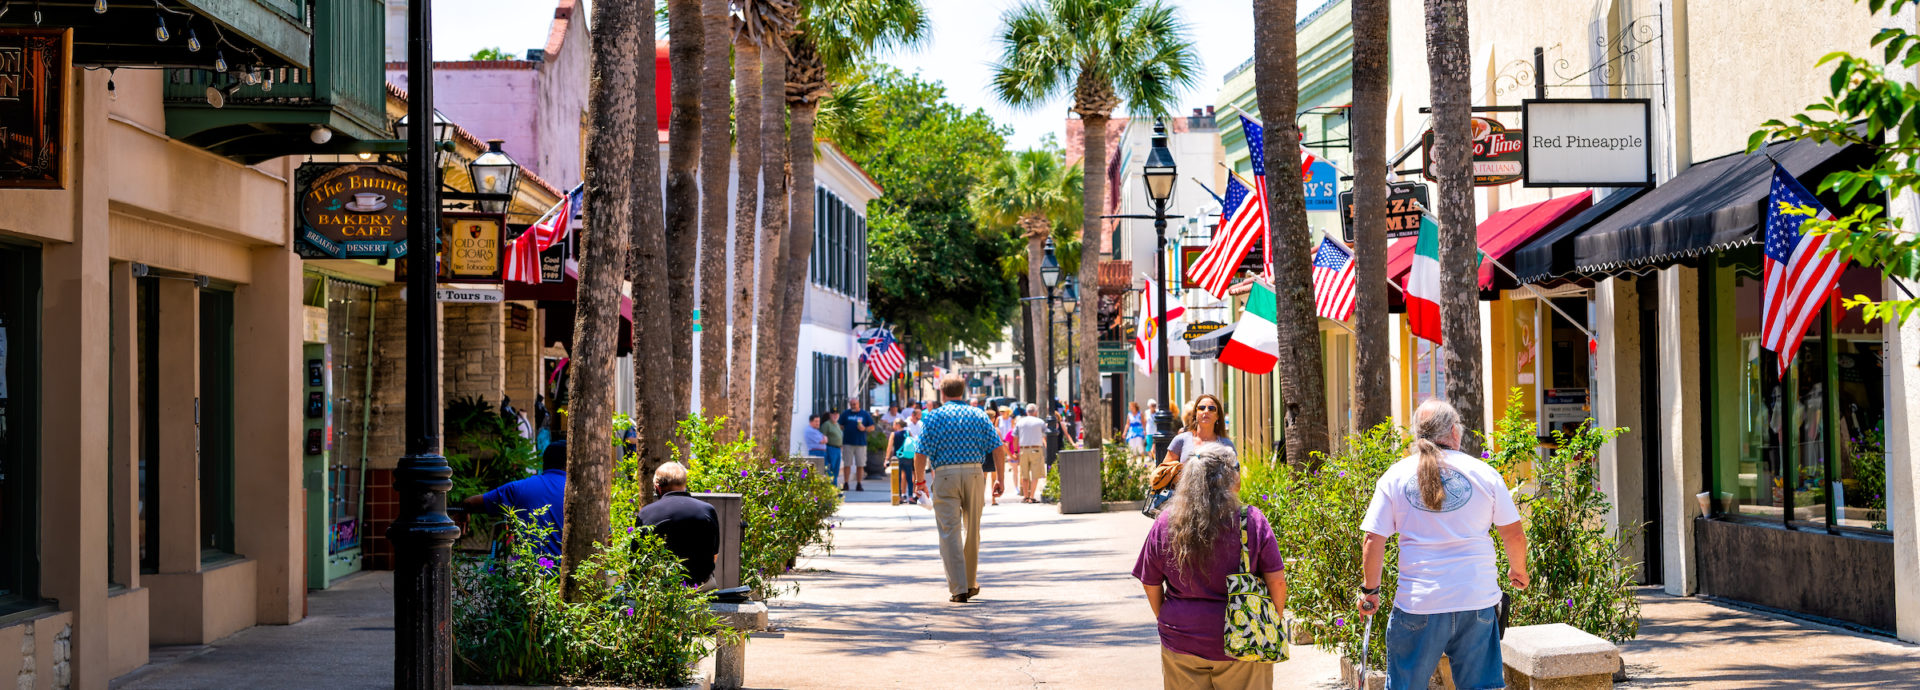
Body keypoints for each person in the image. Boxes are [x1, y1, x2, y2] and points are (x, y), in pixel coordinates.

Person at [1358, 399, 1529, 690]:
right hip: (1476, 600)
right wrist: (1518, 572)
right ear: (1454, 431)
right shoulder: (1484, 473)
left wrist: (1370, 591)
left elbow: (1373, 539)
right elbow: (1514, 535)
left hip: (1418, 603)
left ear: (1417, 434)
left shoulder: (1395, 476)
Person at [1133, 444, 1286, 689]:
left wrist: (1165, 616)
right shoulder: (1251, 520)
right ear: (1229, 477)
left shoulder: (1165, 523)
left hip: (1180, 638)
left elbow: (1149, 581)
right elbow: (1276, 581)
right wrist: (1271, 622)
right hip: (1243, 638)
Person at [914, 374, 1007, 603]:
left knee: (949, 532)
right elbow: (998, 448)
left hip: (945, 474)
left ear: (942, 393)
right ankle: (970, 580)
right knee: (972, 529)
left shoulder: (934, 417)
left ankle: (959, 587)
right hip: (975, 474)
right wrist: (1000, 479)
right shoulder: (978, 415)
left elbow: (920, 452)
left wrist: (919, 481)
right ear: (963, 392)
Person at [459, 439, 568, 557]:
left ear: (544, 462)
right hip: (578, 573)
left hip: (528, 571)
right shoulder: (581, 491)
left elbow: (470, 503)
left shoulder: (519, 488)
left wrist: (465, 512)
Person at [638, 462, 720, 587]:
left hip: (659, 590)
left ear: (657, 487)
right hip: (700, 588)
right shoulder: (707, 510)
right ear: (684, 484)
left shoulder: (646, 513)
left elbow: (637, 558)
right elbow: (714, 555)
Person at [1164, 394, 1232, 465]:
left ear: (1217, 416)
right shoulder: (1180, 440)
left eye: (1211, 409)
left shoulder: (1227, 444)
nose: (1206, 411)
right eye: (1201, 408)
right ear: (1195, 414)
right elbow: (1163, 472)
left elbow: (1235, 474)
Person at [1014, 404, 1049, 503]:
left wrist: (1016, 451)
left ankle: (1025, 496)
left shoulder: (1020, 422)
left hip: (1023, 450)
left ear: (1026, 412)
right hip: (1036, 449)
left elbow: (1015, 437)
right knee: (1035, 474)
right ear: (1035, 412)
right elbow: (1046, 433)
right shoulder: (1040, 422)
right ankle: (1032, 496)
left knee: (1024, 474)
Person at [841, 397, 876, 488]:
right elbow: (840, 425)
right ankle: (846, 483)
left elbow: (872, 427)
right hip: (847, 442)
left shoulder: (864, 414)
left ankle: (859, 483)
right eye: (851, 404)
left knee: (860, 464)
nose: (853, 406)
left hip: (860, 443)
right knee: (847, 463)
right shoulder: (846, 413)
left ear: (858, 404)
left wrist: (864, 428)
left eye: (854, 404)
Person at [886, 420, 919, 502]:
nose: (893, 425)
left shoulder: (894, 434)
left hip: (897, 458)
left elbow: (889, 447)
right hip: (908, 457)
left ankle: (899, 497)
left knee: (898, 478)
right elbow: (914, 443)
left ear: (897, 425)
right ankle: (911, 497)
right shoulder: (908, 432)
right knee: (909, 477)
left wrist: (886, 459)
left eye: (893, 423)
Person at [821, 408, 846, 490]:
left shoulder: (837, 424)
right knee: (830, 470)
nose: (835, 416)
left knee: (836, 470)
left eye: (836, 414)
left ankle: (834, 488)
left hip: (838, 449)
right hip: (830, 448)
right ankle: (831, 488)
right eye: (833, 414)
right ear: (830, 415)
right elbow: (822, 437)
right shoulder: (827, 424)